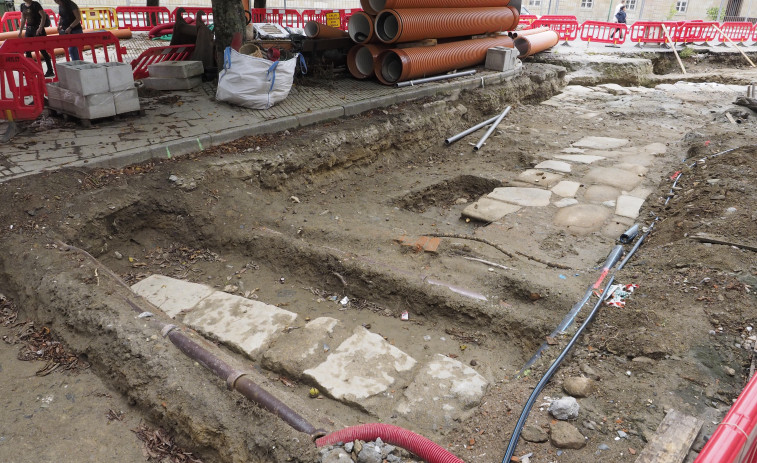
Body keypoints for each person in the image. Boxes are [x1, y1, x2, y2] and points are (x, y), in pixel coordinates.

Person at [18, 0, 54, 77]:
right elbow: (23, 18)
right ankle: (31, 69)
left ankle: (50, 70)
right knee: (27, 50)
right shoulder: (22, 6)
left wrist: (40, 27)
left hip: (37, 29)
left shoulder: (35, 4)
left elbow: (43, 16)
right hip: (29, 29)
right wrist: (20, 31)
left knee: (42, 50)